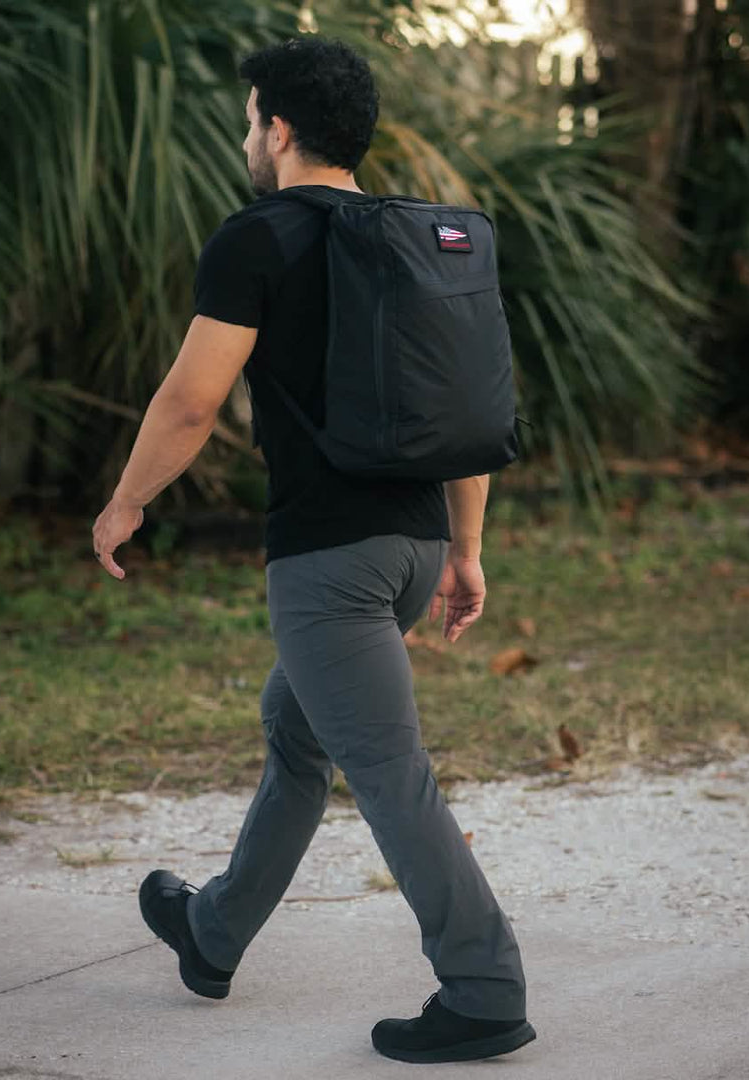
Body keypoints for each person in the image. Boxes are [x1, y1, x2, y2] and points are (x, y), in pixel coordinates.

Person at [91, 36, 535, 1065]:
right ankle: (211, 932)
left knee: (388, 773)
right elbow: (463, 412)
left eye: (251, 119)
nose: (248, 136)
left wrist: (124, 504)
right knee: (297, 734)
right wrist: (465, 550)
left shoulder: (258, 240)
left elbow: (192, 401)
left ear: (279, 128)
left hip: (330, 567)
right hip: (414, 546)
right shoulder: (416, 238)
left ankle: (484, 989)